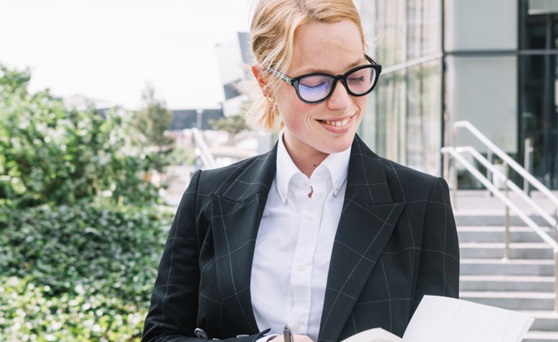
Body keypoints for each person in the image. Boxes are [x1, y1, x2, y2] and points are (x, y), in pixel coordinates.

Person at [142, 0, 459, 341]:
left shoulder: (422, 202)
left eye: (356, 75)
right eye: (315, 82)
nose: (343, 102)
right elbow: (161, 335)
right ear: (265, 82)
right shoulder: (209, 195)